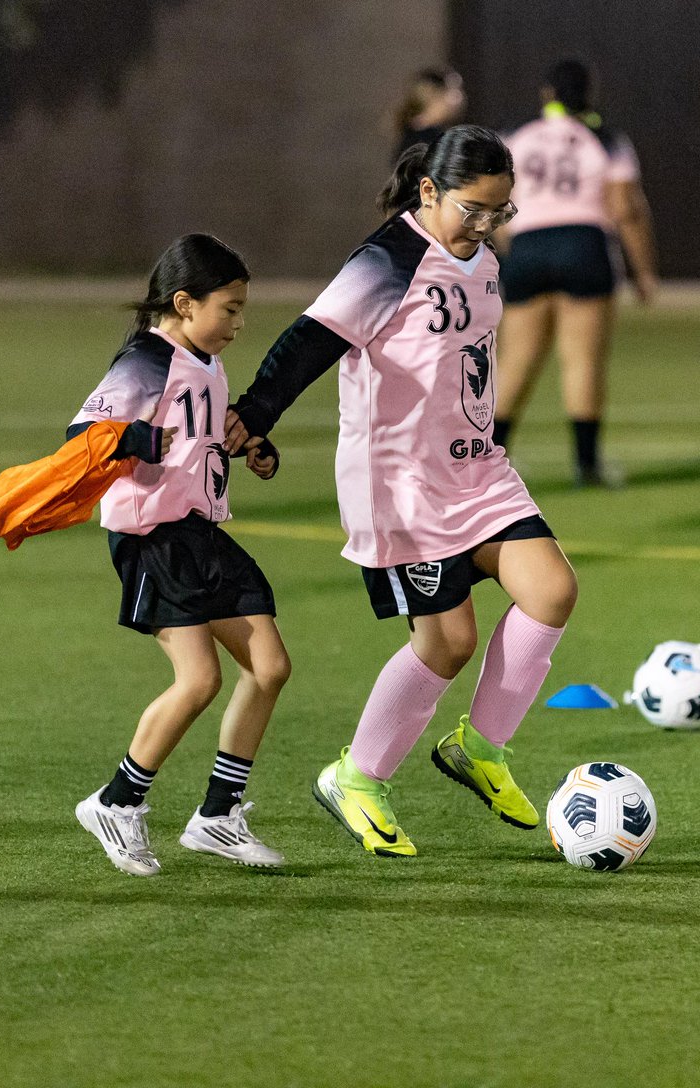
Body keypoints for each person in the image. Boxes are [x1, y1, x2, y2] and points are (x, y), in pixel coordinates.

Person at [226, 126, 577, 858]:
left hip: (477, 470)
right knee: (447, 643)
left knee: (551, 590)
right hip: (403, 486)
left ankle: (478, 748)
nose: (484, 226)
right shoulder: (389, 258)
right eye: (473, 210)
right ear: (428, 192)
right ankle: (355, 777)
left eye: (498, 212)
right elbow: (310, 339)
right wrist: (255, 413)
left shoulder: (480, 258)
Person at [71, 234, 291, 875]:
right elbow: (84, 434)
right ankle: (117, 802)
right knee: (199, 680)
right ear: (185, 302)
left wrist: (252, 449)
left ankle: (218, 818)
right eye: (230, 308)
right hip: (152, 540)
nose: (240, 323)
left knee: (270, 666)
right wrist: (139, 435)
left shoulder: (207, 364)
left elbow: (199, 445)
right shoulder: (148, 358)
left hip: (200, 536)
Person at [491, 59, 658, 486]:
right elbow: (625, 209)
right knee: (581, 360)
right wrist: (643, 273)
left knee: (516, 360)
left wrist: (516, 247)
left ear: (548, 94)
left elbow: (494, 202)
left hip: (528, 245)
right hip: (584, 245)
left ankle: (486, 461)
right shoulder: (606, 139)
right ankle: (587, 465)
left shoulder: (518, 136)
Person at [390, 67, 466, 161]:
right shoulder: (427, 142)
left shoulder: (414, 135)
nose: (459, 98)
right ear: (434, 96)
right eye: (452, 93)